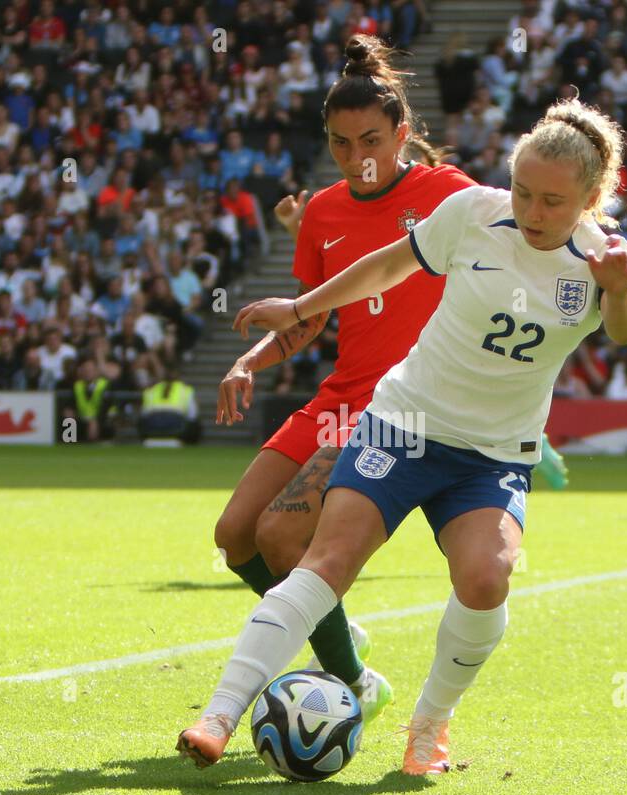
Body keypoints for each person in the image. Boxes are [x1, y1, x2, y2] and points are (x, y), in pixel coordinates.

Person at [179, 97, 627, 775]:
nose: (532, 211)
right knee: (324, 561)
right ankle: (219, 715)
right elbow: (388, 265)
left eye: (552, 200)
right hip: (402, 422)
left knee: (487, 579)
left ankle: (430, 723)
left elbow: (625, 330)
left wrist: (618, 293)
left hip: (490, 455)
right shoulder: (474, 212)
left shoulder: (609, 259)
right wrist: (302, 306)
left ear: (592, 196)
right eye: (522, 190)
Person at [209, 34, 475, 725]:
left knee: (280, 536)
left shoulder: (448, 194)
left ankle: (350, 676)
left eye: (372, 140)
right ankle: (338, 638)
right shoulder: (323, 212)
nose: (359, 158)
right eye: (341, 143)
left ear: (404, 135)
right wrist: (250, 359)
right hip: (338, 396)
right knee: (235, 533)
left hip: (402, 404)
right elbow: (309, 319)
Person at [138, 363, 201, 444]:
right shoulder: (185, 390)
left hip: (152, 423)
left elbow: (143, 413)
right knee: (195, 424)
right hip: (176, 423)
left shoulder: (152, 389)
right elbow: (193, 415)